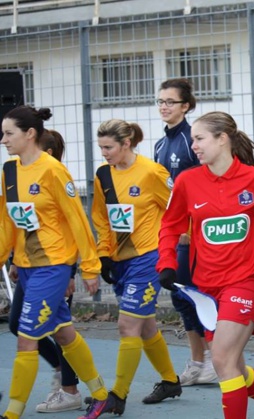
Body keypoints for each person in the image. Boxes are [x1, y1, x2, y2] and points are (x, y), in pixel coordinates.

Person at [157, 111, 254, 419]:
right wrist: (167, 263)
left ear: (222, 139)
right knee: (234, 367)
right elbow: (170, 227)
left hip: (246, 281)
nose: (194, 146)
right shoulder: (187, 182)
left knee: (223, 360)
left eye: (199, 139)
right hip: (206, 289)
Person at [0, 106, 109, 419]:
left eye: (9, 133)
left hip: (54, 266)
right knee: (62, 332)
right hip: (28, 267)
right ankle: (101, 395)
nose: (3, 139)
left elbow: (78, 221)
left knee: (25, 337)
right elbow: (7, 224)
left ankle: (12, 413)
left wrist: (89, 268)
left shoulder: (53, 171)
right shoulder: (8, 170)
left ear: (29, 134)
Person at [89, 119, 182, 416]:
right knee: (145, 326)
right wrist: (103, 255)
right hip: (120, 261)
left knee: (127, 325)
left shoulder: (152, 172)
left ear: (126, 143)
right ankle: (170, 381)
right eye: (101, 147)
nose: (104, 153)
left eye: (109, 147)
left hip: (148, 258)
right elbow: (101, 218)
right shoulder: (103, 175)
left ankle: (118, 394)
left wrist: (174, 250)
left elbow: (177, 209)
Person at [6, 129, 83, 414]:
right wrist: (15, 259)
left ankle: (70, 388)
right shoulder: (20, 178)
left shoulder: (55, 179)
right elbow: (23, 224)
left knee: (59, 330)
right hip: (29, 265)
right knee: (19, 324)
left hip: (55, 267)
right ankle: (63, 369)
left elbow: (73, 228)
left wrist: (71, 272)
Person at [153, 78, 216, 386]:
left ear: (186, 106)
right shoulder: (160, 144)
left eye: (170, 101)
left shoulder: (193, 142)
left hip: (196, 235)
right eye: (160, 101)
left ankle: (215, 358)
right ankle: (197, 361)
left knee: (198, 296)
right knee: (180, 297)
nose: (164, 106)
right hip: (175, 233)